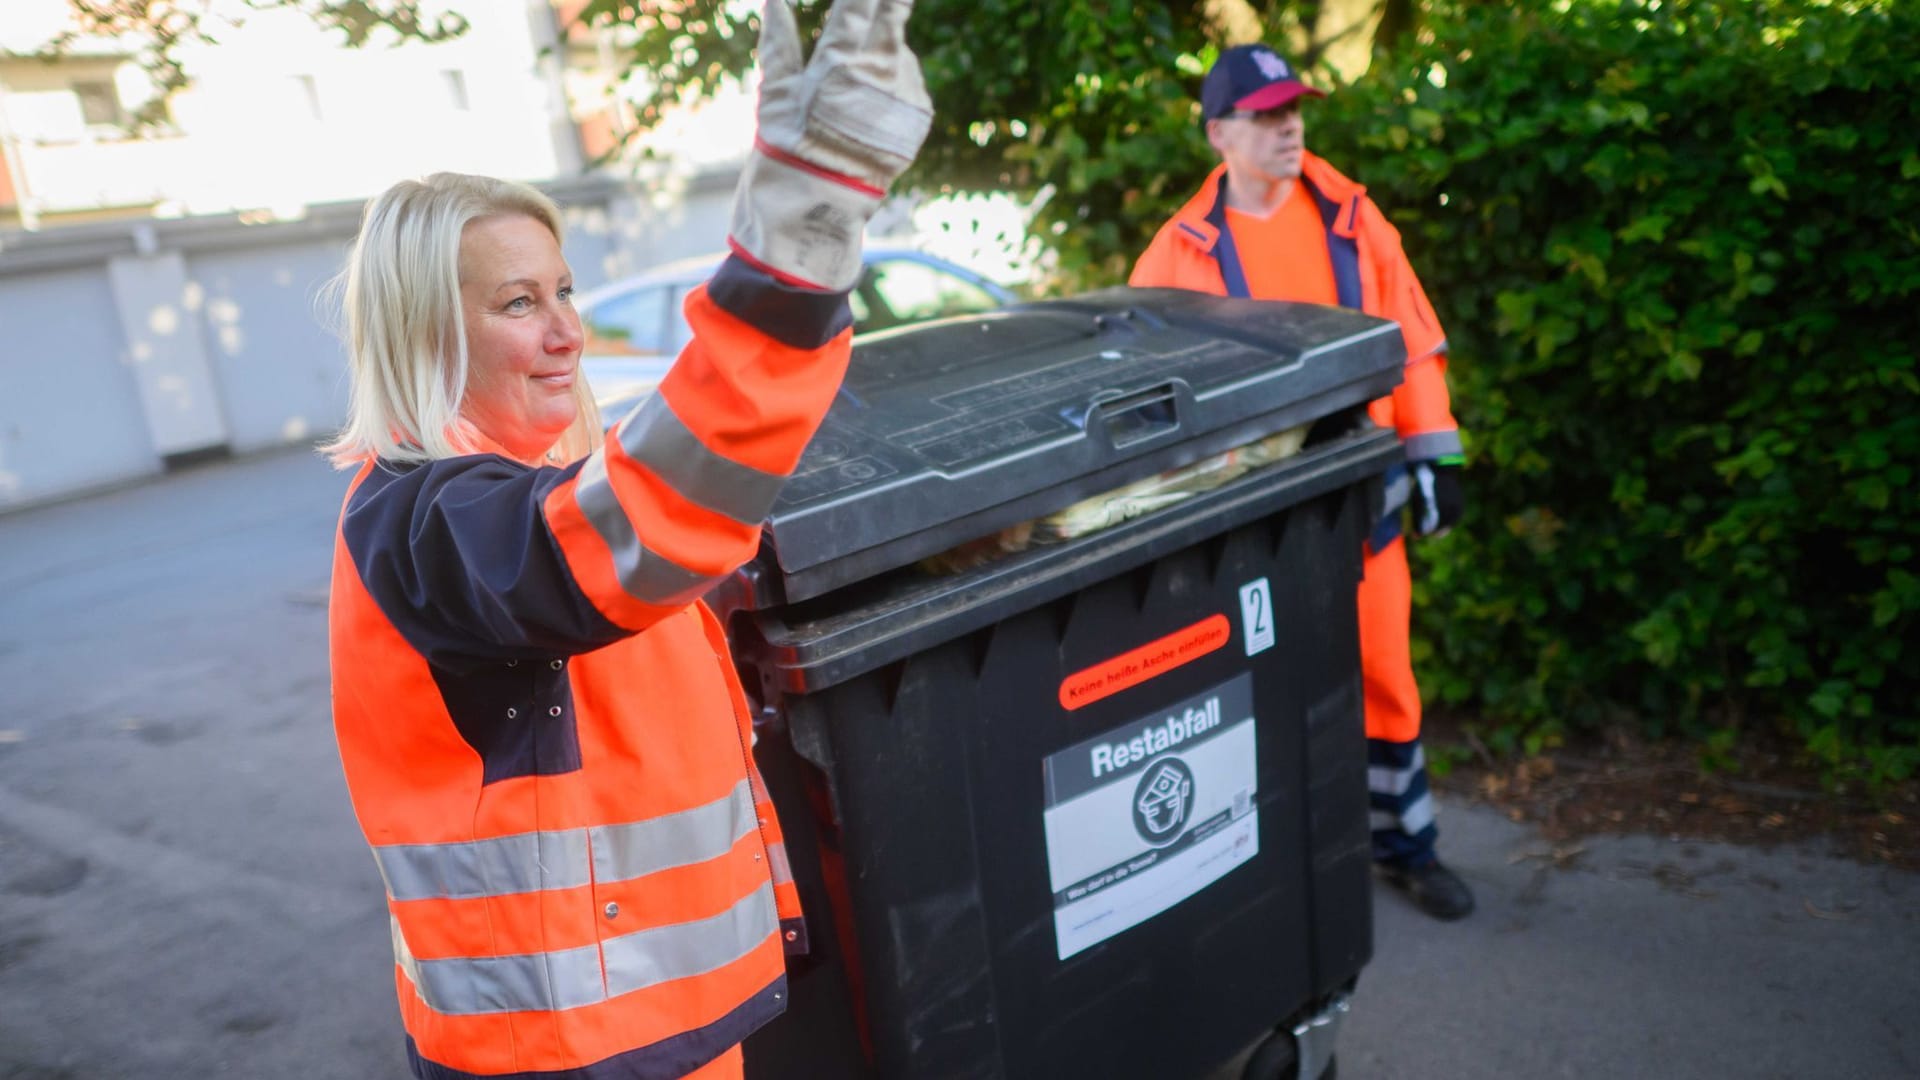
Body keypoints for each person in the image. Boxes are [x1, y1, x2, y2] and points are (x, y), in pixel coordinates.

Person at [319, 2, 931, 1077]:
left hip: (653, 1027)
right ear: (426, 327)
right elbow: (636, 530)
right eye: (519, 302)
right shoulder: (424, 521)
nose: (567, 332)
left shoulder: (515, 495)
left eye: (564, 291)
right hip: (573, 1047)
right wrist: (791, 262)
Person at [1131, 44, 1474, 921]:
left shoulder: (1355, 218)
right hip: (1253, 509)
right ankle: (1275, 859)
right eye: (1268, 114)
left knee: (1385, 670)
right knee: (1256, 680)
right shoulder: (1177, 252)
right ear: (1219, 134)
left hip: (1366, 489)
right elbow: (1145, 393)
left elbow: (1416, 343)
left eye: (1295, 110)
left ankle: (1406, 847)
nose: (1291, 126)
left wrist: (1437, 453)